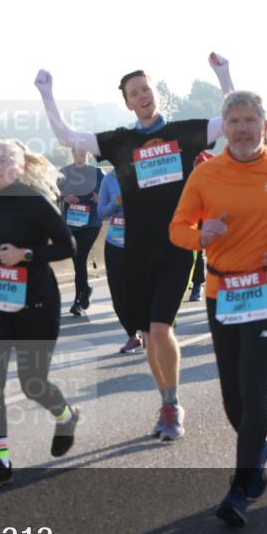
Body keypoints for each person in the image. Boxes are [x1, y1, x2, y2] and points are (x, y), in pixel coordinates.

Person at [35, 52, 234, 441]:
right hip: (135, 252)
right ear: (127, 103)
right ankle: (165, 400)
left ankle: (173, 405)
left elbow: (230, 118)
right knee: (146, 334)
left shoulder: (182, 133)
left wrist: (223, 74)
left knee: (160, 329)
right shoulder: (120, 141)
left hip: (178, 246)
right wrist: (47, 93)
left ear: (156, 93)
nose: (142, 96)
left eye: (146, 89)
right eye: (134, 93)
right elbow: (67, 137)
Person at [171, 90, 267, 527]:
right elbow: (178, 227)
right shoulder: (205, 175)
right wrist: (200, 237)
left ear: (264, 126)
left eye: (249, 120)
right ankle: (256, 451)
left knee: (254, 386)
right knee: (231, 395)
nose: (241, 129)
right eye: (234, 121)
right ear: (224, 128)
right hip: (222, 289)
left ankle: (239, 489)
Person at [0, 140, 77, 488]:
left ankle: (66, 416)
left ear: (20, 166)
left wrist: (25, 255)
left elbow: (68, 246)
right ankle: (1, 461)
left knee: (33, 384)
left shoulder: (35, 201)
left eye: (4, 160)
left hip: (37, 301)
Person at [97, 170, 141, 353]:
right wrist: (115, 203)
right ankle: (132, 335)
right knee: (118, 292)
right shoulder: (109, 179)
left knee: (140, 288)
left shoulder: (142, 173)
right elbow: (101, 213)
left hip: (139, 243)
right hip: (115, 243)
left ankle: (147, 329)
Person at [59, 148, 104, 316]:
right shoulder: (64, 173)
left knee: (80, 258)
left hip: (91, 223)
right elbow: (52, 192)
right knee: (77, 260)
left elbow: (110, 192)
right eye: (76, 154)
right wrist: (64, 197)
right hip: (70, 224)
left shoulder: (98, 173)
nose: (79, 157)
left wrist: (100, 198)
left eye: (83, 154)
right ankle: (85, 290)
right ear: (72, 154)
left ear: (88, 155)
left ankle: (77, 301)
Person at [188, 150, 215, 302]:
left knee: (198, 249)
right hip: (184, 209)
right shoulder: (177, 156)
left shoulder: (209, 158)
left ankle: (197, 285)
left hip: (205, 210)